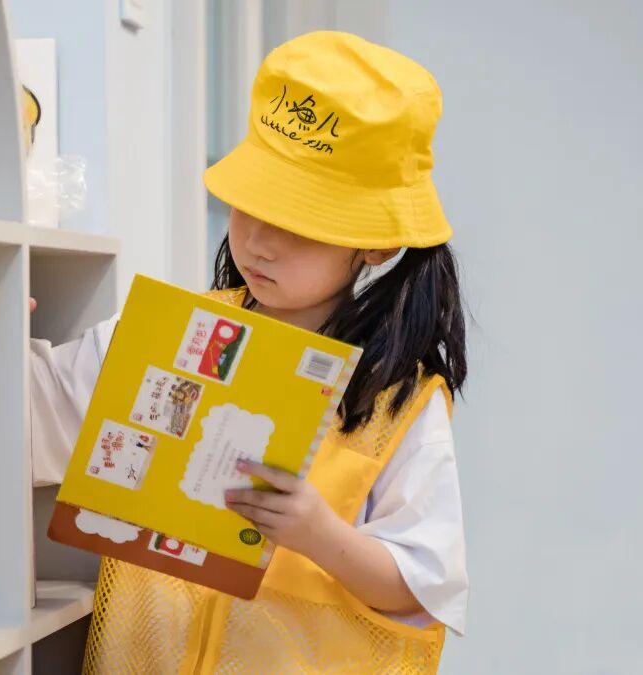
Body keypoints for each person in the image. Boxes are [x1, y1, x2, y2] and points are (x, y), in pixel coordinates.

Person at [30, 31, 469, 674]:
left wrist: (319, 534)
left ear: (377, 243)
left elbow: (421, 585)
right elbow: (26, 427)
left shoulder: (397, 400)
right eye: (249, 206)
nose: (260, 241)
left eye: (299, 223)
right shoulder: (161, 339)